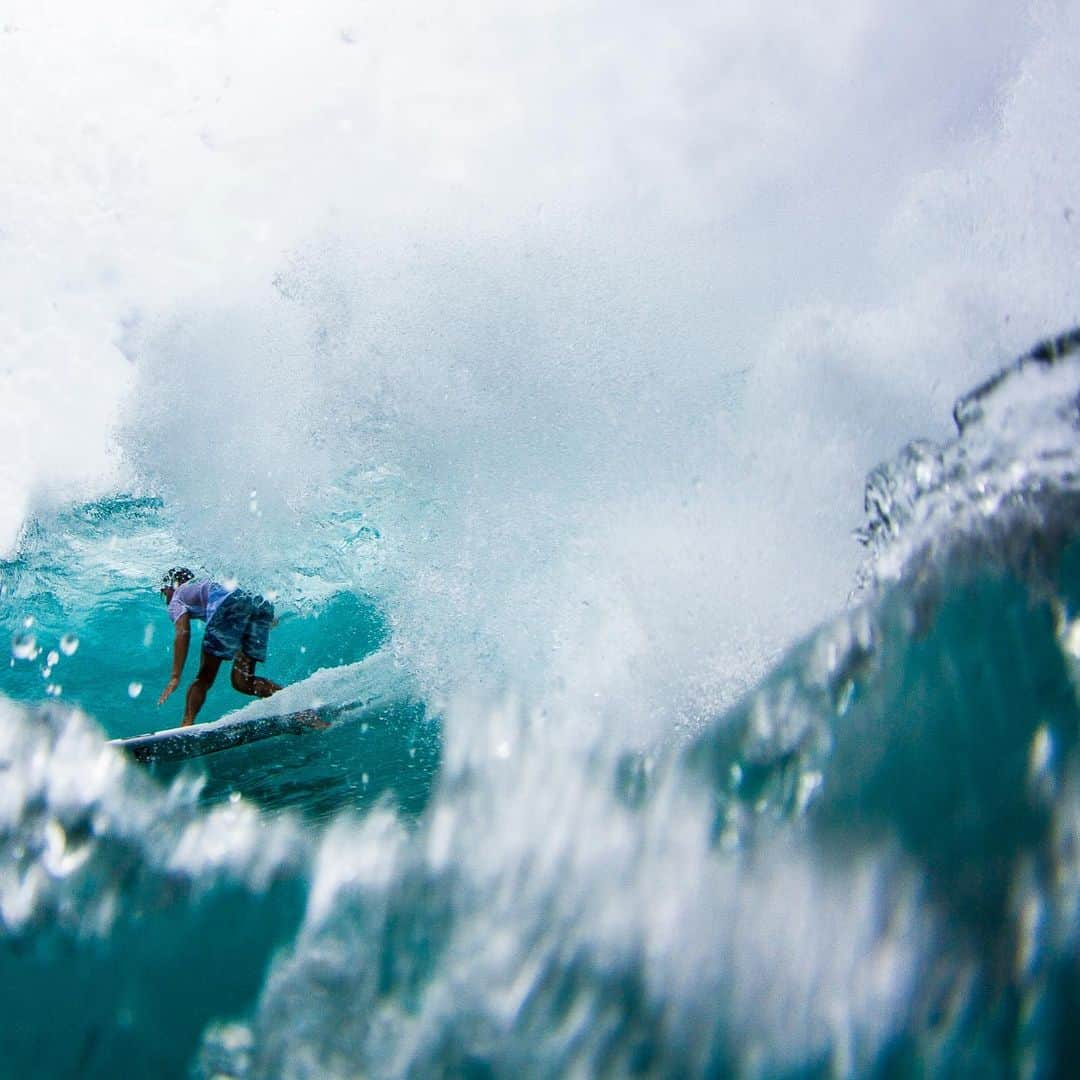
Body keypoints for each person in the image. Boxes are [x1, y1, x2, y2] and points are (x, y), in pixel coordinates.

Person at [157, 568, 282, 726]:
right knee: (243, 681)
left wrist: (175, 677)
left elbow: (183, 631)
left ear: (171, 586)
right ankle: (297, 708)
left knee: (203, 678)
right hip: (259, 600)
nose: (165, 597)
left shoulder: (177, 596)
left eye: (163, 592)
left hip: (228, 601)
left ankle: (186, 724)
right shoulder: (203, 585)